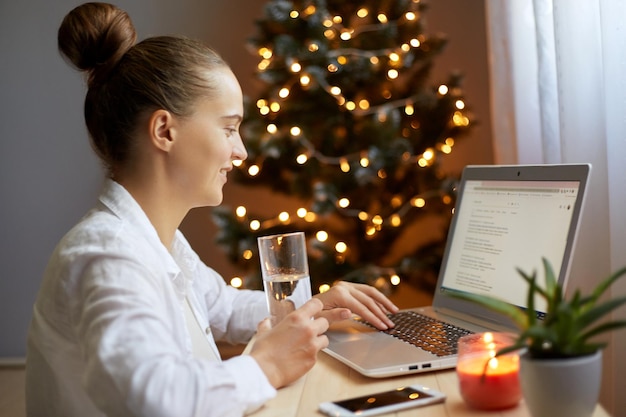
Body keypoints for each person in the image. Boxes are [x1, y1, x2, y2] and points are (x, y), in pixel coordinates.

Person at [25, 3, 399, 417]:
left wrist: (316, 306)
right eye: (228, 127)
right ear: (165, 130)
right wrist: (267, 365)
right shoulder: (107, 255)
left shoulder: (157, 242)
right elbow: (155, 399)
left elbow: (223, 308)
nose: (239, 151)